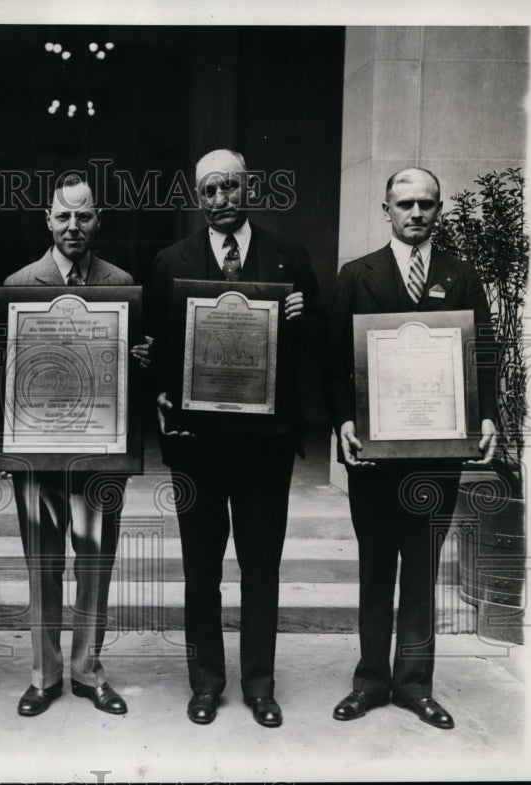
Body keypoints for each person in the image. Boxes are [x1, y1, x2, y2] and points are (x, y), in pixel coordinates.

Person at [145, 149, 321, 728]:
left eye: (230, 187)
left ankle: (260, 685)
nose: (221, 200)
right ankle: (206, 682)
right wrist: (161, 392)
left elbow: (321, 343)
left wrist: (304, 315)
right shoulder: (170, 261)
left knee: (261, 567)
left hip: (265, 447)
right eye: (209, 191)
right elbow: (157, 355)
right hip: (198, 446)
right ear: (198, 197)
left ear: (249, 189)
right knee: (201, 568)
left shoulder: (289, 257)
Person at [327, 167, 497, 730]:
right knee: (376, 565)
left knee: (421, 566)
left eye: (426, 204)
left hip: (438, 451)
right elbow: (333, 359)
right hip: (375, 452)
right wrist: (343, 422)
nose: (416, 214)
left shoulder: (462, 276)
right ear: (387, 209)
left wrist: (490, 415)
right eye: (405, 204)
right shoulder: (356, 275)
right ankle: (371, 681)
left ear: (439, 209)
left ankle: (415, 685)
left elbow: (484, 353)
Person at [3, 174, 149, 717]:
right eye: (63, 216)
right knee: (42, 564)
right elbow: (4, 376)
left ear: (97, 220)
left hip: (98, 452)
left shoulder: (122, 283)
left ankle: (88, 670)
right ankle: (44, 675)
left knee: (95, 561)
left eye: (83, 216)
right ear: (48, 219)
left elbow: (135, 371)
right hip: (37, 456)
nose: (73, 227)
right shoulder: (20, 284)